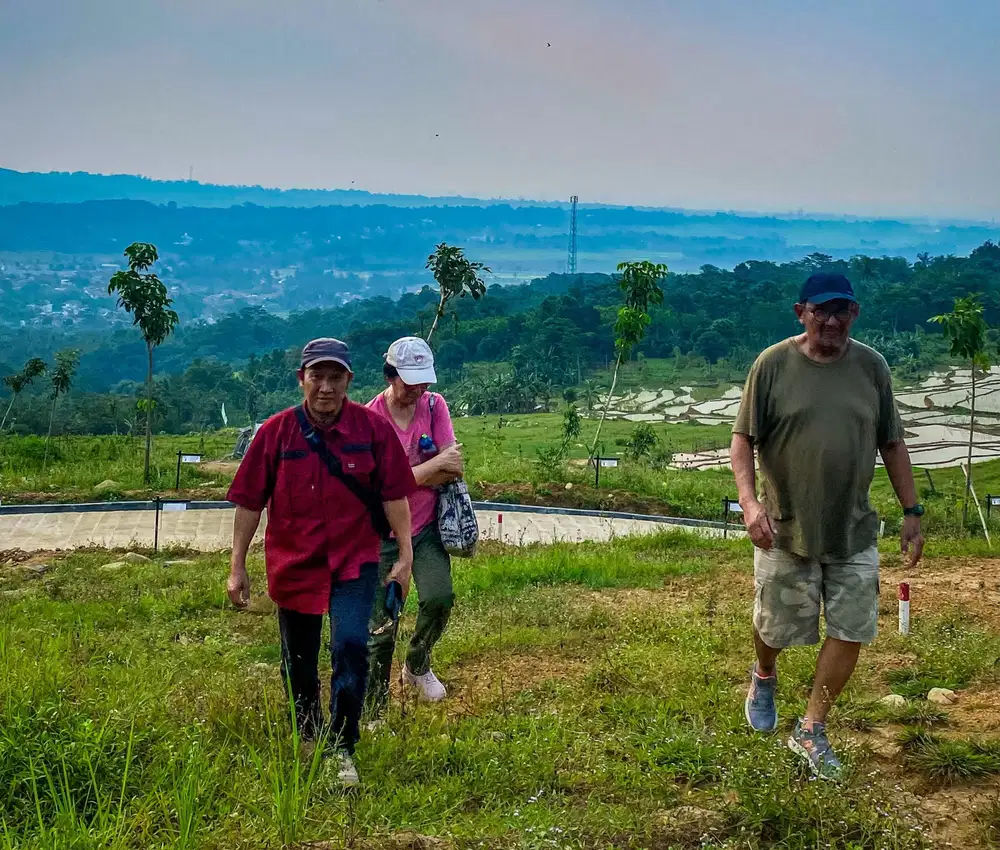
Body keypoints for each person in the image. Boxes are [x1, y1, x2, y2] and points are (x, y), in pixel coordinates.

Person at [731, 272, 925, 780]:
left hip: (853, 527)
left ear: (855, 315)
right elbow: (742, 438)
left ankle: (812, 728)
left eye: (842, 311)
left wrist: (912, 512)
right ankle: (764, 674)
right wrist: (750, 504)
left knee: (852, 626)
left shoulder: (871, 367)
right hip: (784, 526)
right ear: (801, 313)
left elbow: (892, 442)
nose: (832, 321)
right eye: (821, 311)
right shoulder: (772, 365)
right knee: (775, 625)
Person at [226, 338, 417, 787]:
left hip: (354, 563)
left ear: (349, 381)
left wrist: (405, 556)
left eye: (336, 377)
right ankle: (307, 733)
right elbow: (249, 503)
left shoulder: (372, 431)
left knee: (351, 646)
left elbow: (394, 495)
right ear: (301, 380)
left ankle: (342, 746)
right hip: (295, 564)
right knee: (299, 660)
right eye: (317, 376)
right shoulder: (275, 433)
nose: (326, 387)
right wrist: (237, 565)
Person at [365, 336, 464, 711]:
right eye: (410, 381)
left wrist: (404, 478)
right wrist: (430, 468)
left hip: (426, 527)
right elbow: (379, 489)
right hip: (383, 534)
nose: (418, 389)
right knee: (382, 622)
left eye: (423, 380)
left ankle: (417, 663)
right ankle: (374, 705)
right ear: (391, 376)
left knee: (439, 597)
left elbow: (452, 469)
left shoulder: (435, 407)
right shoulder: (370, 418)